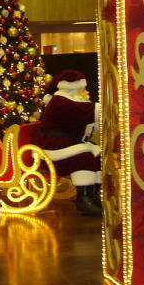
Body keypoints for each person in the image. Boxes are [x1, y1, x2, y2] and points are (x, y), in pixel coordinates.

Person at [32, 69, 102, 217]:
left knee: (96, 152)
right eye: (81, 88)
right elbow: (82, 111)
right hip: (52, 145)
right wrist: (101, 108)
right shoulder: (60, 101)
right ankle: (83, 199)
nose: (84, 91)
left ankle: (93, 194)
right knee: (83, 156)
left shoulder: (73, 100)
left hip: (65, 141)